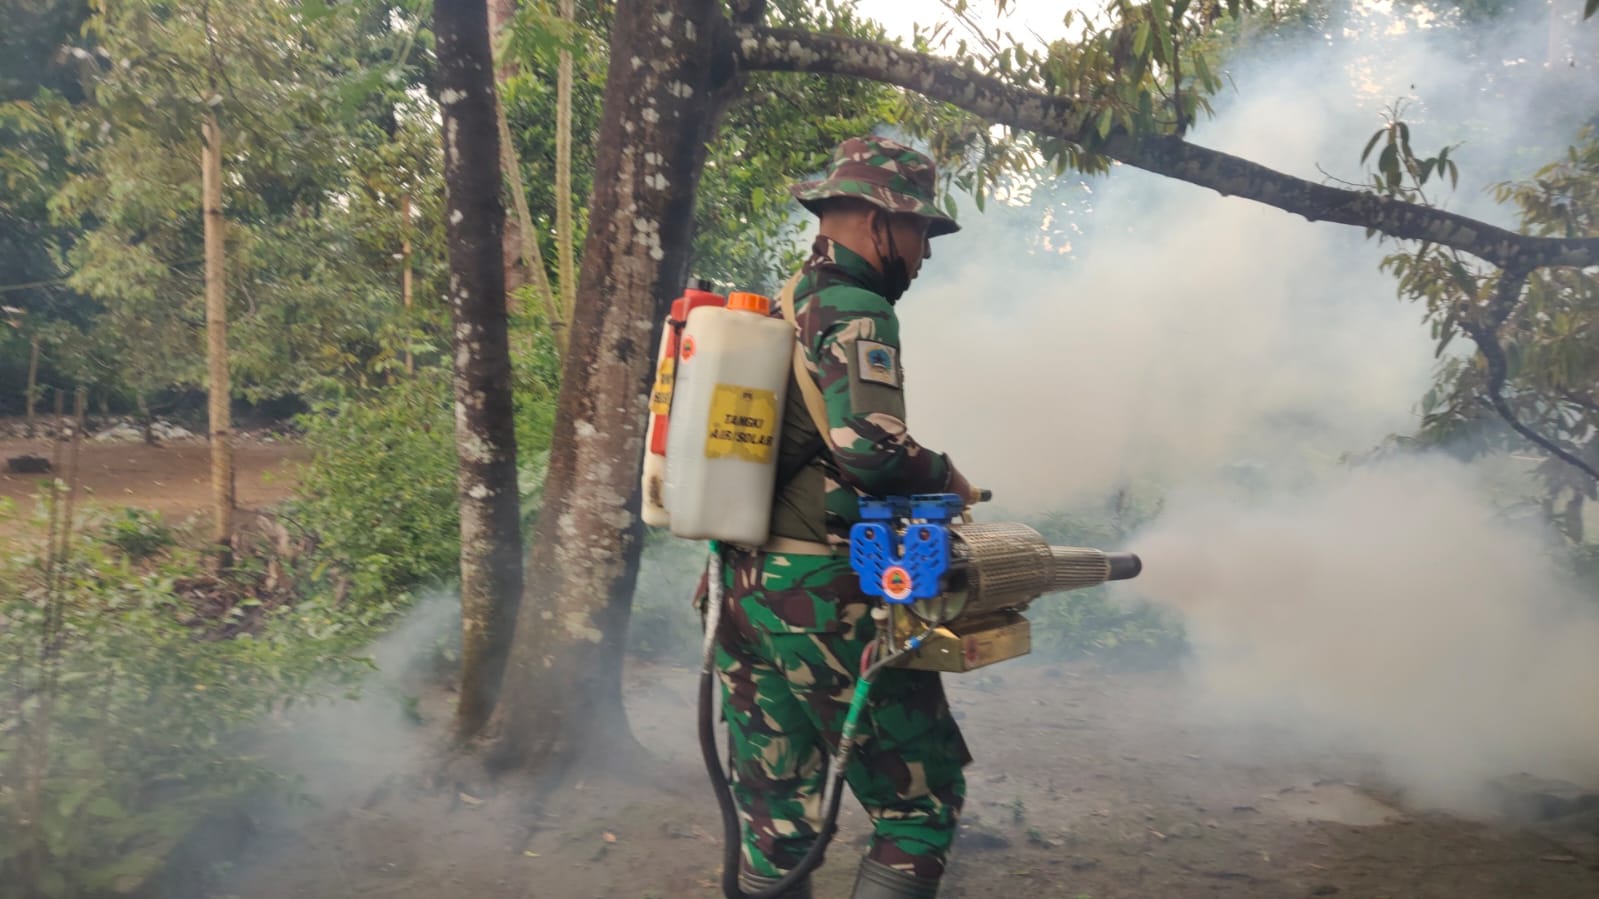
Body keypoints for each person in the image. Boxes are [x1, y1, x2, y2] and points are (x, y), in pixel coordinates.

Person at [701, 136, 981, 899]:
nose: (924, 253)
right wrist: (946, 475)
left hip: (740, 588)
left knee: (774, 808)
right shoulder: (856, 310)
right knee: (918, 799)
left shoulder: (788, 299)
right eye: (919, 230)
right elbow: (870, 453)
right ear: (873, 220)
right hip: (818, 592)